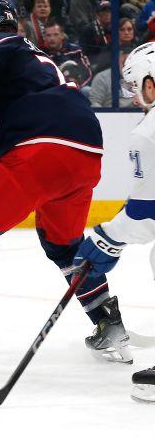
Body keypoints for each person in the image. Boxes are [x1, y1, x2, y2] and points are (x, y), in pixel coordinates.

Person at [0, 0, 131, 375]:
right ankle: (110, 326)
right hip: (84, 152)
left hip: (39, 149)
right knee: (64, 246)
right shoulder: (29, 76)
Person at [76, 41, 155, 402]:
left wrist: (107, 240)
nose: (135, 97)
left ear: (150, 84)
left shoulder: (147, 132)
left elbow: (144, 213)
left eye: (135, 87)